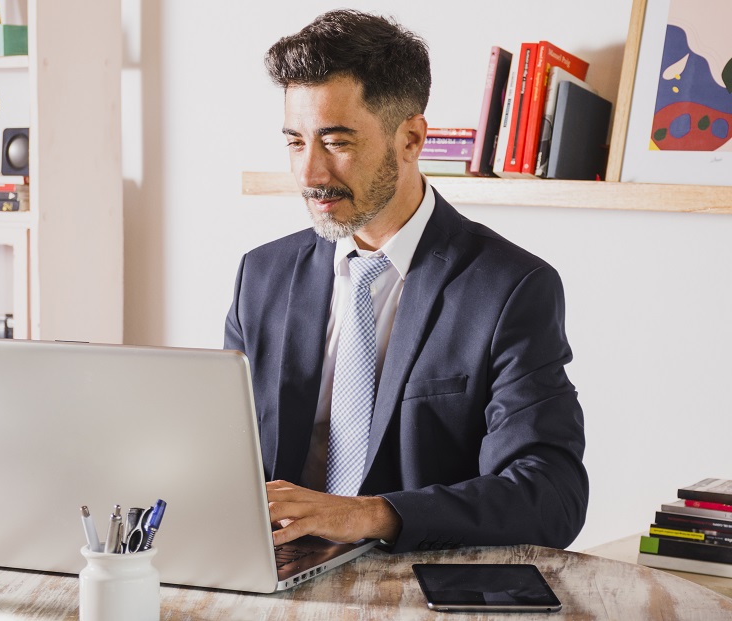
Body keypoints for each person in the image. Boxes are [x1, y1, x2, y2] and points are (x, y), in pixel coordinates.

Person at [224, 9, 588, 553]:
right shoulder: (262, 275)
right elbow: (222, 456)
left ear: (412, 138)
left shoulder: (510, 289)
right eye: (295, 142)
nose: (309, 174)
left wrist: (371, 515)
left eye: (336, 142)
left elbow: (550, 497)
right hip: (271, 576)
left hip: (418, 589)